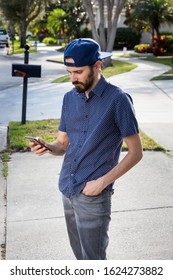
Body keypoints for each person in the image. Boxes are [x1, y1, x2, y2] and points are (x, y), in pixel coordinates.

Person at [29, 38, 143, 260]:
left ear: (98, 65)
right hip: (68, 188)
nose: (73, 79)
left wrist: (101, 183)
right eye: (69, 72)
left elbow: (136, 152)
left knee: (93, 261)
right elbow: (62, 144)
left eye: (79, 72)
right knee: (80, 258)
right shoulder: (68, 99)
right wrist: (46, 146)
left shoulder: (118, 100)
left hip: (94, 194)